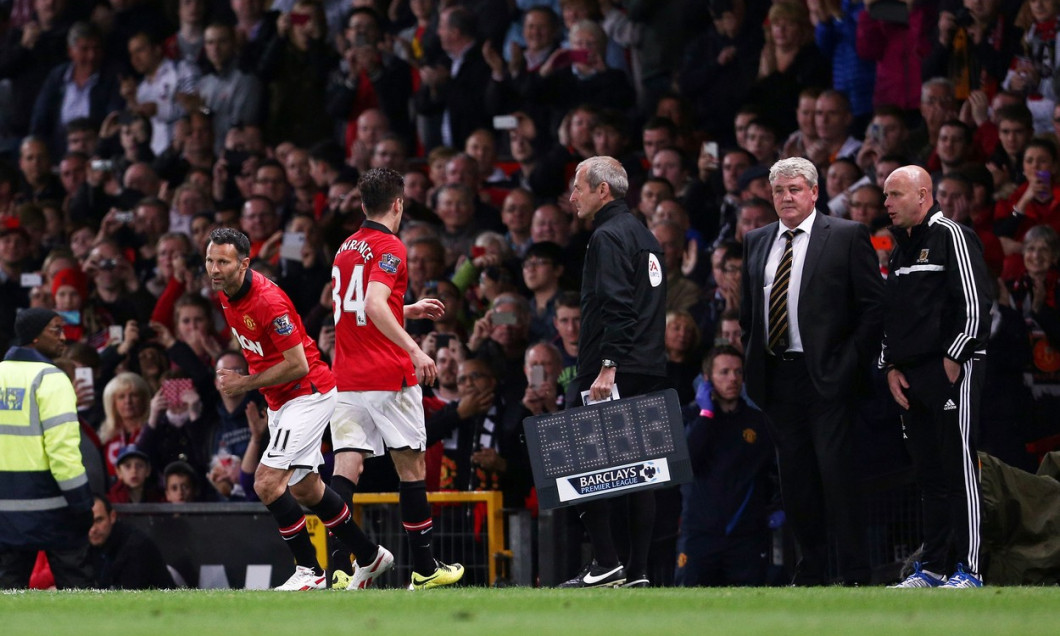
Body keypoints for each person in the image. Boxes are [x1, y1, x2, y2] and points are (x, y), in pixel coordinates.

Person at [205, 227, 380, 591]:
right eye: (210, 260)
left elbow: (298, 364)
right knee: (305, 489)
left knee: (267, 482)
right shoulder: (226, 293)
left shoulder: (268, 301)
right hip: (282, 400)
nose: (214, 268)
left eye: (223, 261)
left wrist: (243, 383)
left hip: (308, 392)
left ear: (244, 264)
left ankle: (310, 571)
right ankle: (369, 555)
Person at [740, 156, 884, 586]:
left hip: (828, 376)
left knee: (837, 476)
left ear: (815, 192)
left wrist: (846, 363)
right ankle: (813, 571)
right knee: (796, 483)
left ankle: (856, 571)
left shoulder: (846, 235)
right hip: (778, 378)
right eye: (779, 190)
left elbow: (874, 308)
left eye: (795, 189)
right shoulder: (755, 240)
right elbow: (750, 314)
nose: (786, 197)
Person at [329, 167, 464, 590]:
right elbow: (372, 303)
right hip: (387, 375)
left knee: (345, 469)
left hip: (347, 375)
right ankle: (424, 569)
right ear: (398, 204)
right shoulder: (391, 246)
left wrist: (406, 308)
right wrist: (415, 347)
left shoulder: (345, 248)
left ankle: (338, 568)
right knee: (412, 469)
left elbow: (356, 310)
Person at [880, 165, 992, 588]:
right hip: (911, 374)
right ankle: (934, 567)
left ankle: (971, 569)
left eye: (895, 195)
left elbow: (978, 305)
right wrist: (889, 367)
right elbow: (892, 316)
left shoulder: (953, 236)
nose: (887, 203)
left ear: (923, 195)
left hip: (952, 369)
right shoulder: (899, 249)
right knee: (929, 475)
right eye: (887, 196)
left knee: (959, 468)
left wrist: (953, 359)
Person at [561, 156, 668, 589]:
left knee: (580, 465)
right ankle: (637, 572)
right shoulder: (645, 236)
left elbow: (617, 306)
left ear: (602, 190)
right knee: (640, 472)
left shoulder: (607, 236)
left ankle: (605, 562)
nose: (572, 197)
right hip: (646, 367)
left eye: (578, 188)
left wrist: (607, 368)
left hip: (613, 370)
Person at [0, 308, 94, 589]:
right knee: (79, 598)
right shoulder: (51, 379)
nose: (64, 338)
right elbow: (63, 452)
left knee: (6, 601)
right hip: (54, 510)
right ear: (34, 337)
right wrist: (82, 503)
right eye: (56, 329)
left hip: (3, 514)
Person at [674, 345, 775, 587]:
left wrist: (776, 507)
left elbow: (773, 470)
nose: (733, 379)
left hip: (746, 536)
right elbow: (684, 463)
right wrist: (705, 416)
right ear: (707, 379)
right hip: (699, 533)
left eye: (738, 372)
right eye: (725, 372)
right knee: (687, 603)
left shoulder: (758, 422)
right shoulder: (690, 416)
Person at [87, 496, 174, 589]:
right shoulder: (88, 546)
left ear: (112, 517)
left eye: (99, 520)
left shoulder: (135, 547)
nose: (93, 529)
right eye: (87, 522)